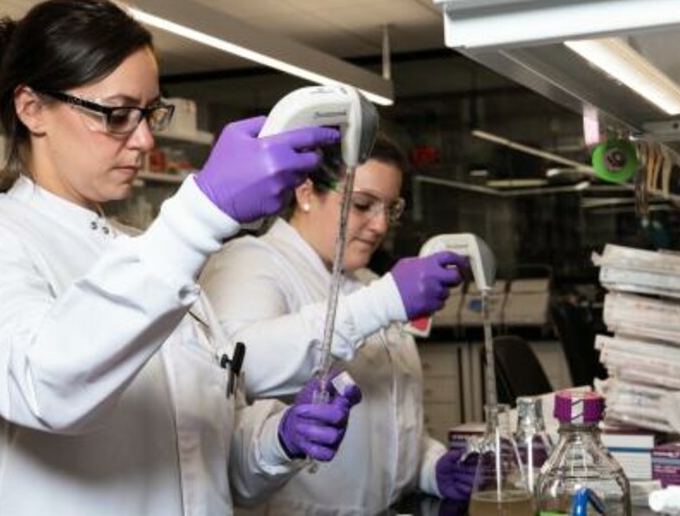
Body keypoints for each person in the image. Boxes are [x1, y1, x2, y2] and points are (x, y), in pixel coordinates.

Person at [0, 0, 362, 516]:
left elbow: (200, 458)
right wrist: (199, 215)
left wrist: (278, 440)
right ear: (32, 108)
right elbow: (46, 385)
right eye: (117, 115)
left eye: (150, 113)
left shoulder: (146, 251)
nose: (145, 139)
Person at [199, 136, 476, 514]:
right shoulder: (250, 262)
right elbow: (240, 366)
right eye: (362, 204)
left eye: (390, 209)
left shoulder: (363, 281)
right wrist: (385, 301)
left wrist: (429, 467)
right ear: (306, 191)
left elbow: (386, 413)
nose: (379, 226)